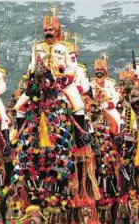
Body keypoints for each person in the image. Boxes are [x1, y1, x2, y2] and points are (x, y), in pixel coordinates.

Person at [14, 10, 88, 147]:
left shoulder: (67, 47)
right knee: (19, 106)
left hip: (62, 83)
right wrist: (31, 74)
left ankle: (80, 138)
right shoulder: (37, 46)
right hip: (40, 82)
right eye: (46, 30)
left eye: (51, 30)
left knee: (78, 106)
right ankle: (19, 140)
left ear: (56, 31)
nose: (48, 32)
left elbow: (72, 67)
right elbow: (31, 65)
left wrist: (65, 80)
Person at [90, 54, 122, 136]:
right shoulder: (90, 83)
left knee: (117, 121)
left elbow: (116, 97)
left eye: (101, 69)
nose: (99, 71)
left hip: (108, 108)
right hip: (94, 109)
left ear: (104, 71)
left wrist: (108, 104)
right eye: (97, 69)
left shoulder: (110, 83)